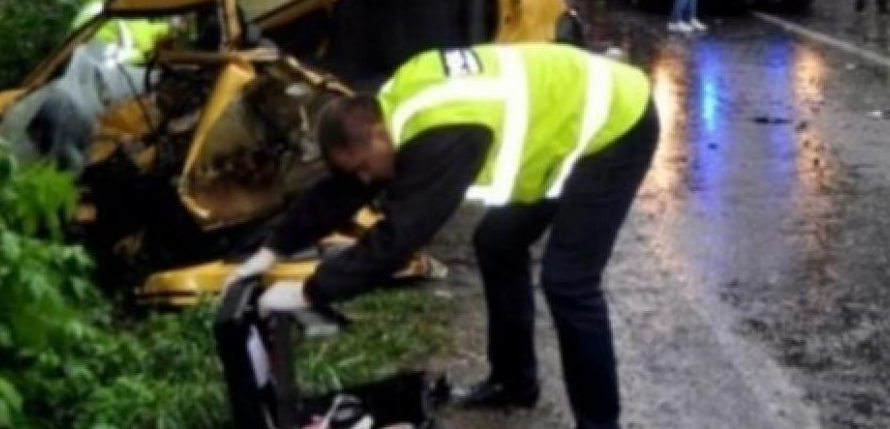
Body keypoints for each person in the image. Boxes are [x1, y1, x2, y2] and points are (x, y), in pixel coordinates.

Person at [231, 43, 659, 429]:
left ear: (376, 134)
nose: (365, 178)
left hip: (615, 126)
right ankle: (515, 383)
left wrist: (311, 291)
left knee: (569, 282)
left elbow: (399, 239)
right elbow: (345, 187)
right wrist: (272, 249)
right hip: (559, 132)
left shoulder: (441, 136)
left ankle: (601, 424)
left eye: (364, 166)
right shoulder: (391, 106)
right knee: (496, 243)